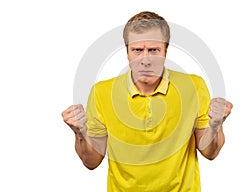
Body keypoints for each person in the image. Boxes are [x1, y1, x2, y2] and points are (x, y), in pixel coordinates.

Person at [62, 11, 233, 192]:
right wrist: (80, 133)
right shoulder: (101, 92)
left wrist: (216, 125)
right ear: (127, 52)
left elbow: (210, 153)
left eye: (153, 50)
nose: (145, 60)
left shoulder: (193, 86)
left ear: (166, 51)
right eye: (137, 50)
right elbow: (91, 162)